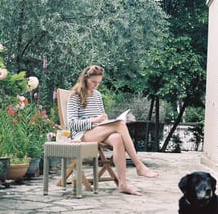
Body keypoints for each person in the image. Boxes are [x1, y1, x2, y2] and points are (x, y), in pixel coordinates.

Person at [67, 65, 159, 196]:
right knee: (120, 125)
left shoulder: (97, 95)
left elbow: (101, 118)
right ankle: (139, 165)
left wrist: (104, 120)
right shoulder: (75, 96)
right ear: (85, 79)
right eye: (93, 82)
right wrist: (94, 120)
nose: (96, 85)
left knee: (117, 138)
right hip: (82, 135)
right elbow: (72, 124)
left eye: (99, 83)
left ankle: (123, 184)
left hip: (97, 131)